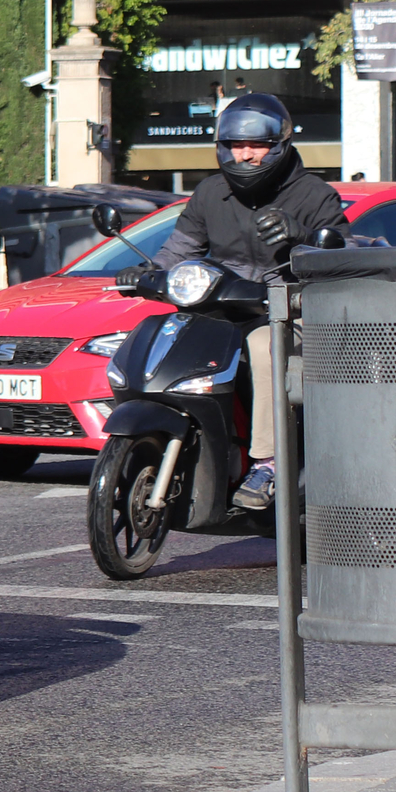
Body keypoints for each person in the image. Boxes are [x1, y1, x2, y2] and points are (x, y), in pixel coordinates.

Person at [144, 93, 344, 512]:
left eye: (256, 146)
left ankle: (268, 463)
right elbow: (179, 248)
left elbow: (344, 250)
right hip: (222, 309)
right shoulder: (210, 193)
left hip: (289, 313)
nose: (245, 155)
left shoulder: (314, 194)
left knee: (262, 347)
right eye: (236, 145)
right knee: (169, 334)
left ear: (279, 145)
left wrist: (303, 236)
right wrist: (147, 272)